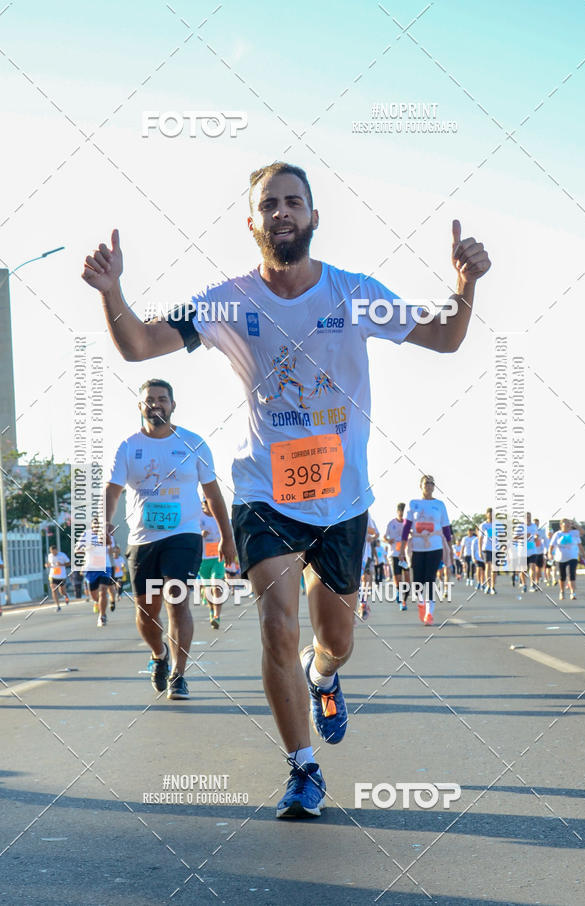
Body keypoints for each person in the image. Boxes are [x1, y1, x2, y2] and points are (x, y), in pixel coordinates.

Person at [83, 161, 490, 818]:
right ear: (252, 223)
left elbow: (444, 335)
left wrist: (465, 284)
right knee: (276, 624)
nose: (282, 212)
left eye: (293, 201)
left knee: (336, 641)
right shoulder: (228, 302)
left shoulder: (355, 294)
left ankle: (323, 677)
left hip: (342, 500)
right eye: (268, 203)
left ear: (313, 217)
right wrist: (111, 291)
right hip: (263, 496)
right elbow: (137, 345)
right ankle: (303, 768)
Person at [104, 379, 235, 700]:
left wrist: (227, 537)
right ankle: (159, 654)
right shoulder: (127, 446)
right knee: (147, 611)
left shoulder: (193, 443)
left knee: (178, 602)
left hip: (184, 536)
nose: (156, 404)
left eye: (162, 399)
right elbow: (113, 489)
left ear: (173, 405)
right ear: (140, 406)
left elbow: (213, 494)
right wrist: (103, 524)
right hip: (143, 540)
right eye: (149, 400)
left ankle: (179, 674)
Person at [398, 475, 452, 625]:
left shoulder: (439, 505)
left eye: (431, 483)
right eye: (426, 483)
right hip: (417, 546)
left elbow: (446, 528)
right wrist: (402, 549)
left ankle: (429, 612)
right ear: (420, 486)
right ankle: (421, 603)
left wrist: (450, 548)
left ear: (434, 487)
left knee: (430, 579)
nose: (429, 485)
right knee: (417, 582)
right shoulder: (413, 504)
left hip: (434, 545)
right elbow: (406, 527)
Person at [75, 517, 114, 626]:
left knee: (103, 590)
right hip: (91, 568)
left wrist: (110, 546)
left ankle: (102, 616)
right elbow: (77, 549)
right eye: (94, 525)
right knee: (94, 595)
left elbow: (112, 549)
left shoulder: (106, 534)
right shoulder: (86, 534)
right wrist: (88, 547)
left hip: (105, 566)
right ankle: (97, 602)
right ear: (91, 526)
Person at [198, 497, 230, 629]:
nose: (208, 506)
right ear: (203, 504)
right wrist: (201, 535)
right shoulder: (197, 517)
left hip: (218, 558)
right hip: (203, 559)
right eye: (206, 504)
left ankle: (217, 616)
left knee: (216, 584)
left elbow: (229, 535)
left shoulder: (221, 516)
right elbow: (190, 534)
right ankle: (211, 610)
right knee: (208, 588)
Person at [548, 519, 584, 601]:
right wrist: (549, 553)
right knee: (562, 576)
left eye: (569, 525)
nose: (568, 526)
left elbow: (582, 532)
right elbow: (551, 546)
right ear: (561, 525)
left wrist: (576, 525)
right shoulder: (557, 534)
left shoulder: (574, 533)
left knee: (572, 575)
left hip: (573, 557)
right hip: (560, 558)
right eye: (566, 525)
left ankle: (572, 593)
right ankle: (562, 591)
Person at [384, 502, 410, 609]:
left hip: (405, 556)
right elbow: (384, 537)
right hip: (394, 555)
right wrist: (388, 540)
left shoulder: (407, 524)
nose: (401, 514)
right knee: (398, 579)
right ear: (397, 511)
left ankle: (404, 601)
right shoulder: (391, 523)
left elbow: (413, 534)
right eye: (400, 511)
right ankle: (399, 594)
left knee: (407, 579)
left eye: (403, 512)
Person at [477, 508, 498, 594]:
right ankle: (488, 586)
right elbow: (480, 539)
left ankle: (493, 586)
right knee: (488, 566)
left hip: (496, 549)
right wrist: (479, 551)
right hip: (486, 548)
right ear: (486, 515)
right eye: (489, 513)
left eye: (492, 513)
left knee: (494, 569)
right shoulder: (483, 525)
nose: (490, 515)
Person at [45, 544, 70, 611]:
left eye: (54, 552)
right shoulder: (50, 556)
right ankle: (58, 606)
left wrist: (61, 564)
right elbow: (49, 563)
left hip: (62, 576)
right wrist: (47, 565)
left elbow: (69, 563)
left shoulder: (62, 555)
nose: (53, 553)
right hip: (53, 576)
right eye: (51, 552)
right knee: (53, 590)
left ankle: (66, 596)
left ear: (57, 550)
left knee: (62, 592)